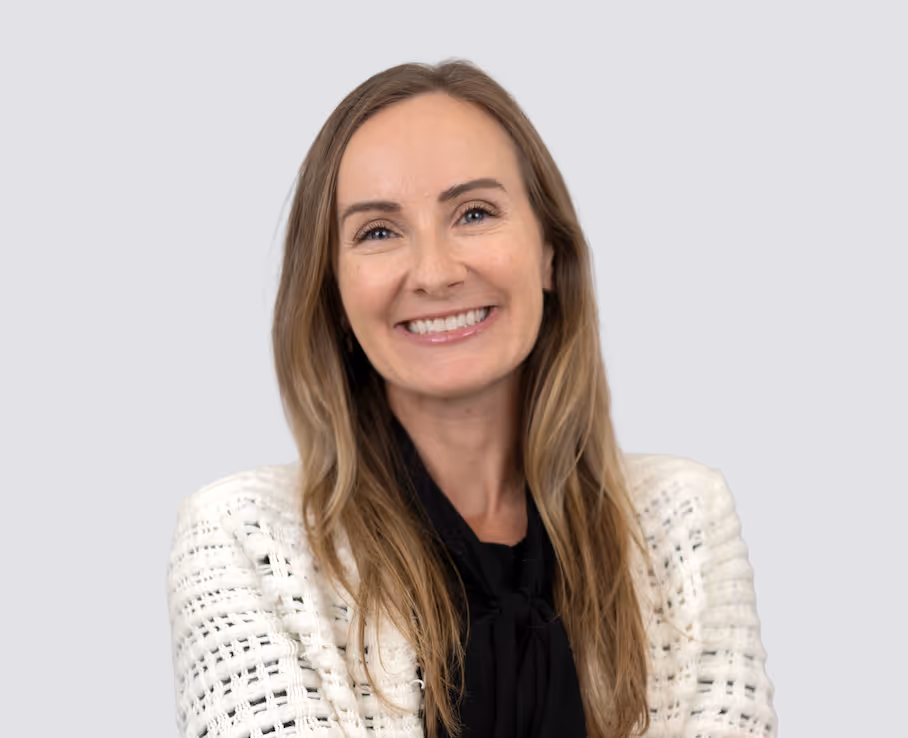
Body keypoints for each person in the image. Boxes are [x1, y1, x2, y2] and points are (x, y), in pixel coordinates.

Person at [166, 59, 777, 738]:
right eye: (378, 231)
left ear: (550, 253)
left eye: (475, 213)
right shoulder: (244, 541)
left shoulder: (683, 522)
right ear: (332, 294)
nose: (434, 272)